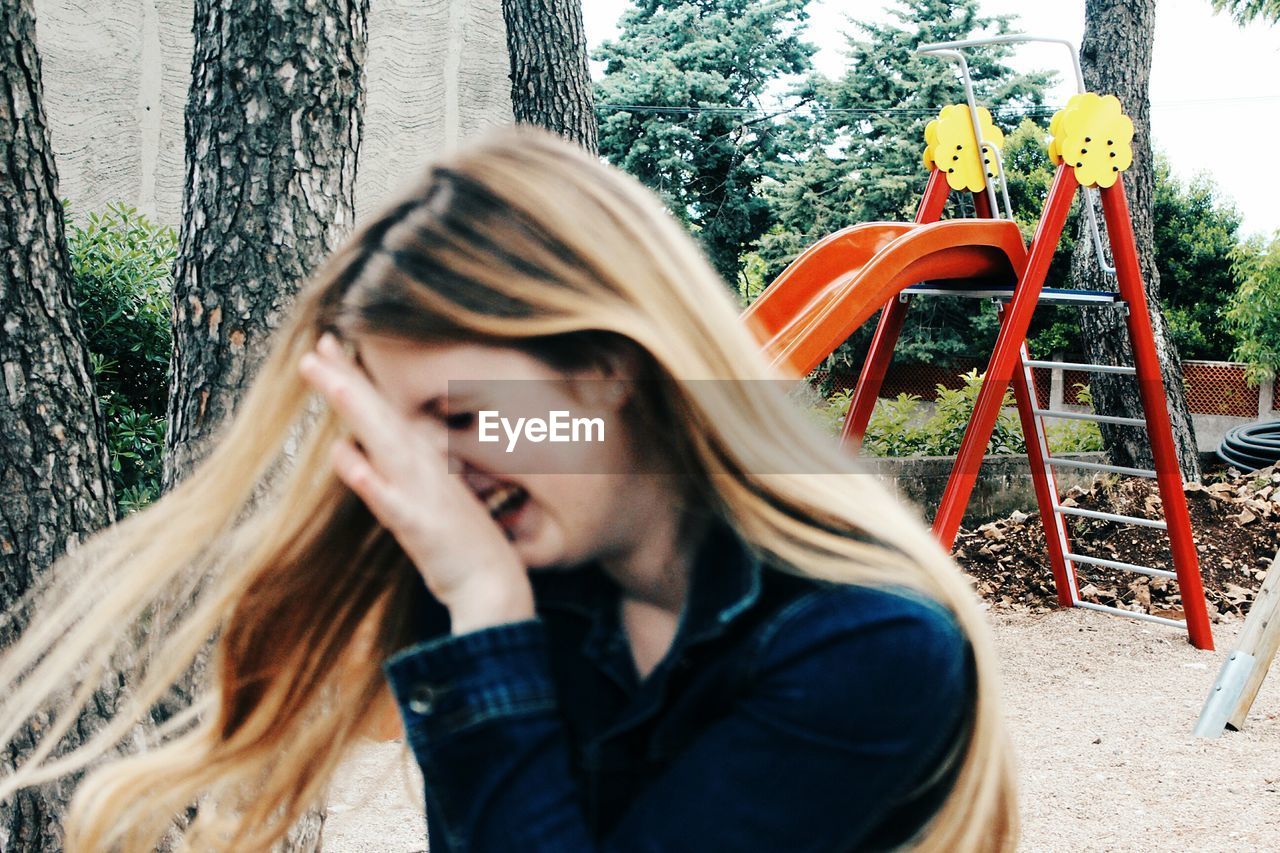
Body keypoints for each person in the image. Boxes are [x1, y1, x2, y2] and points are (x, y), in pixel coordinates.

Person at [0, 126, 1018, 851]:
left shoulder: (866, 642)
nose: (429, 483)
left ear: (609, 369)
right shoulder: (557, 586)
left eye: (458, 416)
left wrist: (484, 616)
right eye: (395, 431)